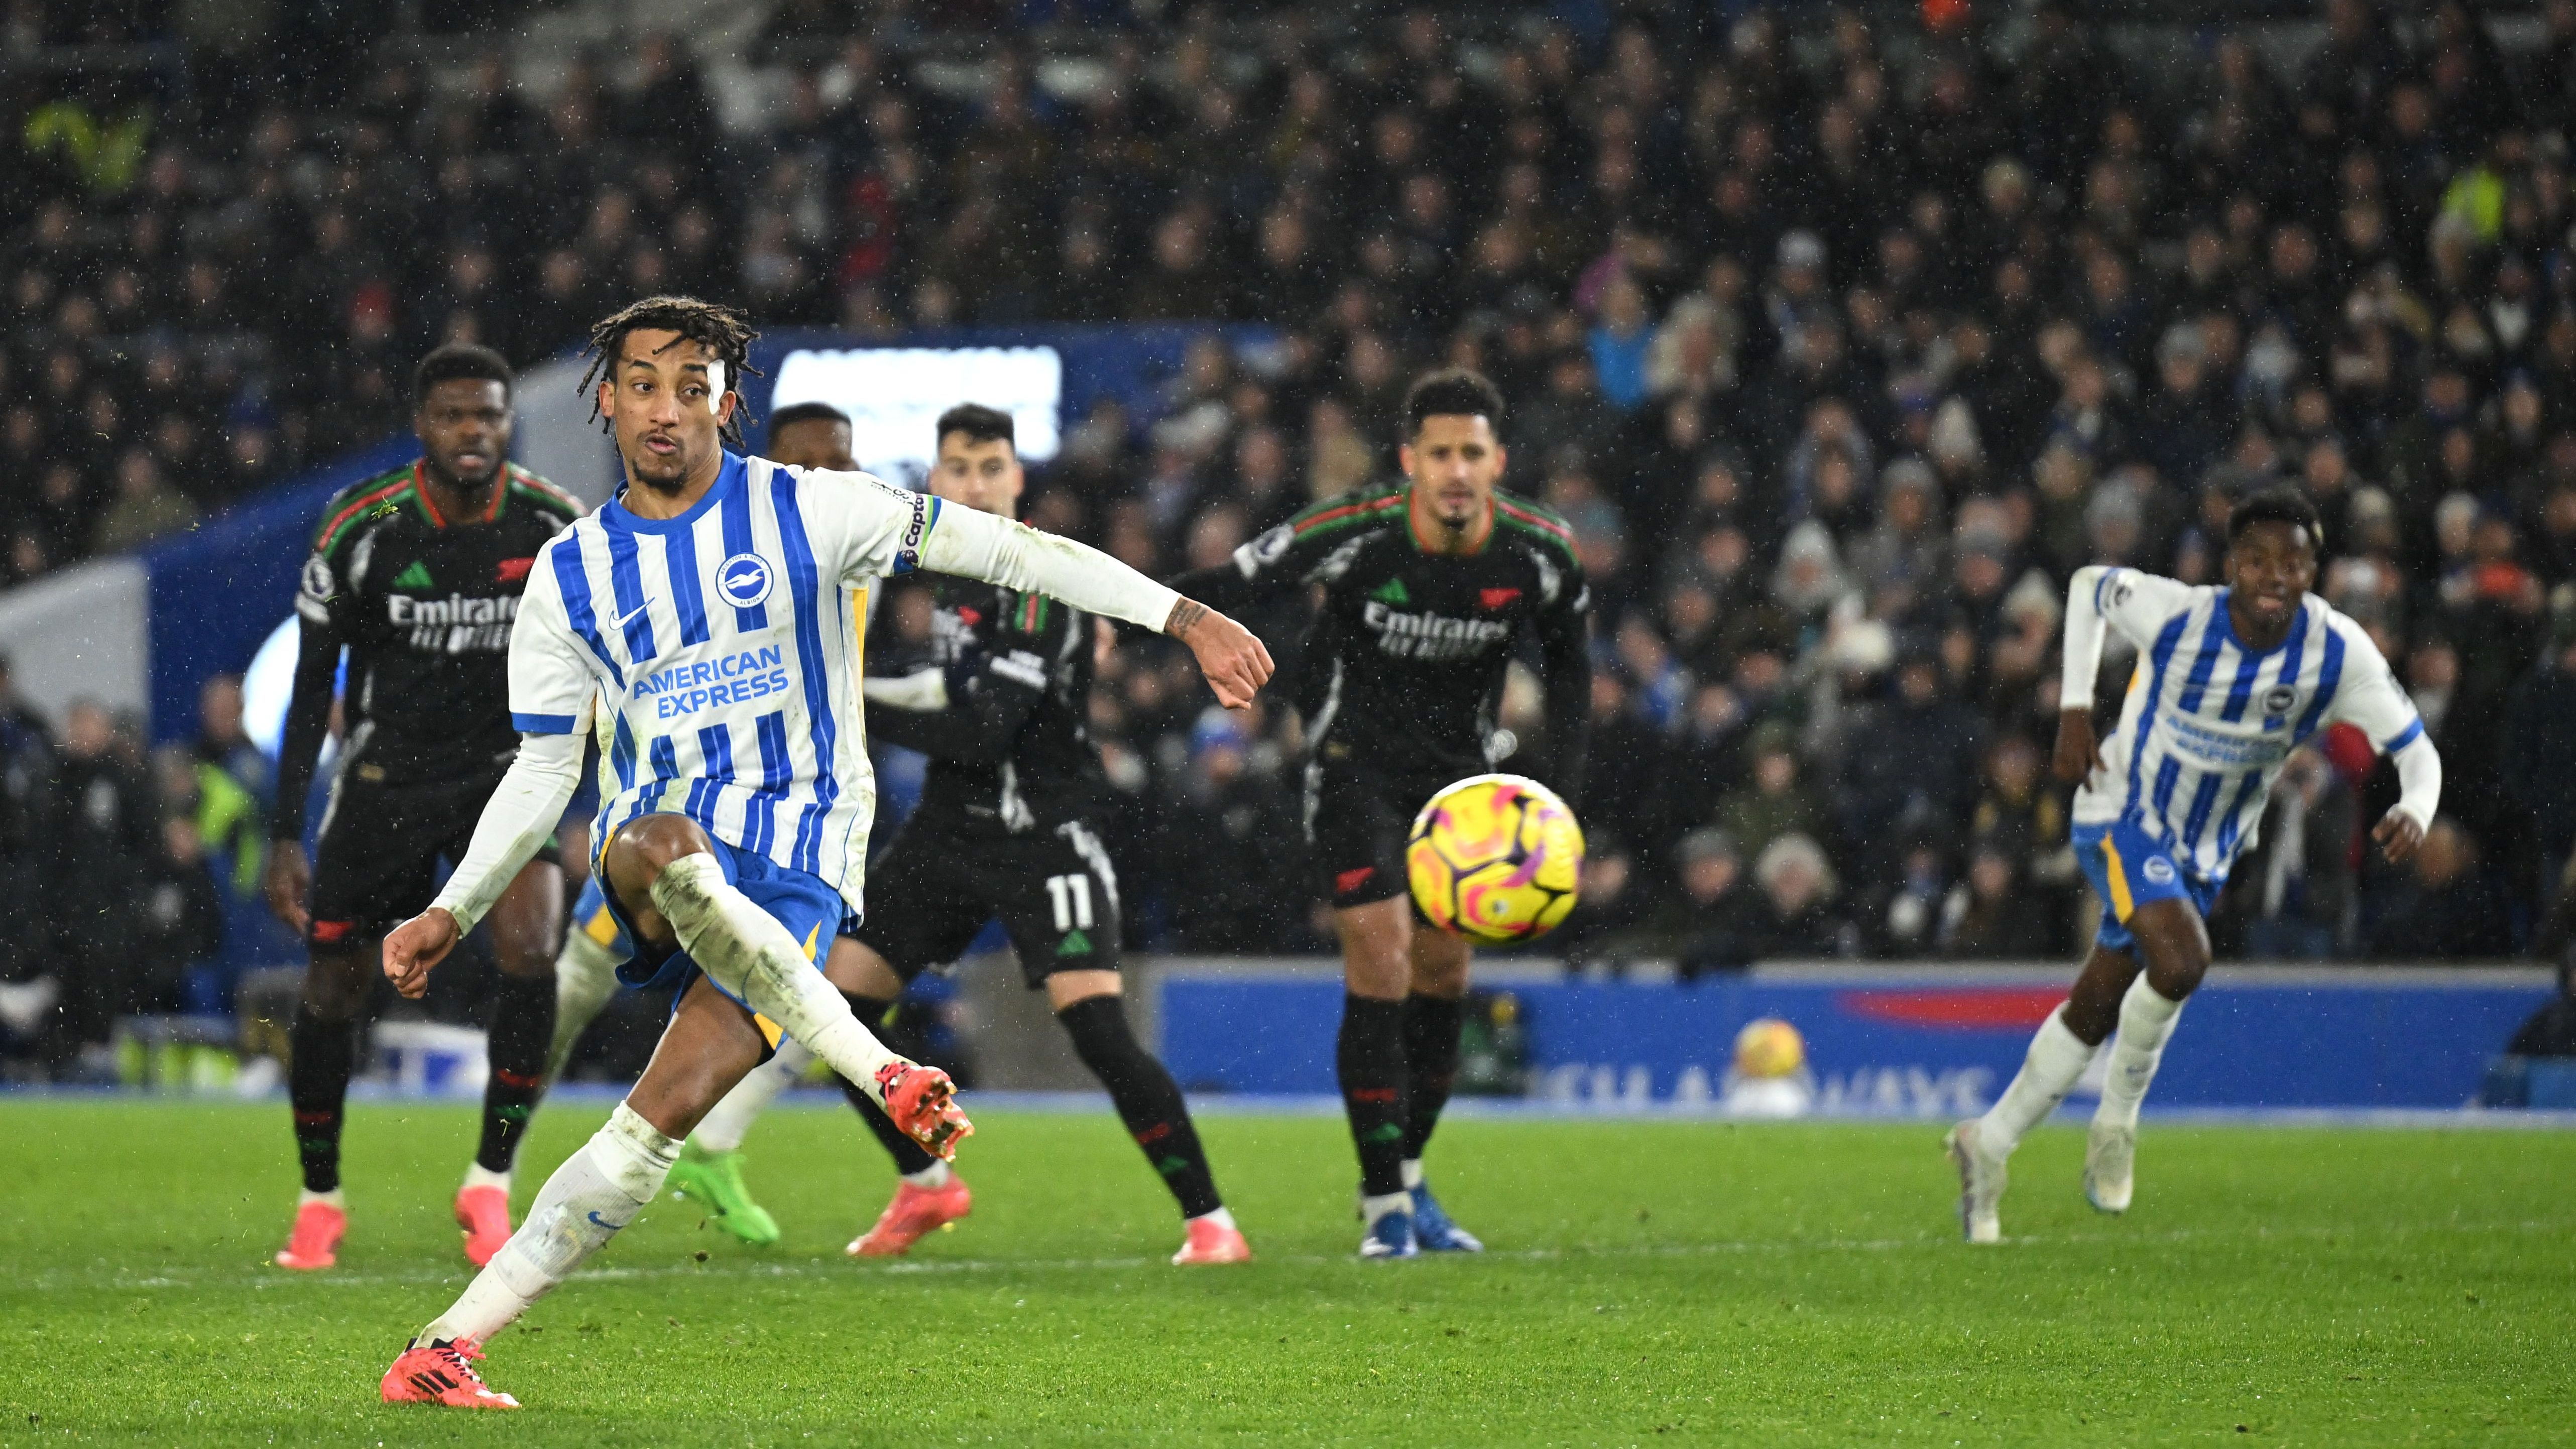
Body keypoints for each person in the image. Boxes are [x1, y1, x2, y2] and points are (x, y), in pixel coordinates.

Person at [375, 296, 1268, 1408]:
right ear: (608, 401)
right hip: (653, 846)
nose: (665, 409)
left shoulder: (817, 509)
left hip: (798, 868)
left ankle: (442, 1350)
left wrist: (1184, 617)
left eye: (691, 387)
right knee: (665, 843)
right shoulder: (572, 570)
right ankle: (882, 1070)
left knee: (658, 1121)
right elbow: (546, 766)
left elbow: (1014, 552)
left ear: (724, 402)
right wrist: (453, 909)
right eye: (643, 386)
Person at [544, 403, 1254, 1269]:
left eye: (991, 469)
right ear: (937, 478)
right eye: (958, 470)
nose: (975, 486)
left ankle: (1210, 1220)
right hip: (946, 834)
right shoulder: (943, 577)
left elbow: (982, 727)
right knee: (833, 1011)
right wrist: (855, 690)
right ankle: (924, 1182)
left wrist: (846, 700)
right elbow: (930, 691)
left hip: (1042, 839)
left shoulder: (1045, 590)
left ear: (1016, 478)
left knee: (1098, 1028)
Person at [1171, 368, 1591, 1259]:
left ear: (1497, 461)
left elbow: (1571, 669)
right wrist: (1124, 611)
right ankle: (1383, 1206)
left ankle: (1406, 1174)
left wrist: (1562, 796)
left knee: (1443, 972)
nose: (1455, 470)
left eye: (1471, 452)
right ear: (1409, 461)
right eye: (1439, 453)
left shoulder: (1541, 551)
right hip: (1351, 767)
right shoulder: (1353, 529)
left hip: (1460, 787)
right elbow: (1234, 580)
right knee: (1383, 950)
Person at [1946, 489, 2441, 1244]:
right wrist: (2074, 709)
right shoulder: (2178, 615)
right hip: (2121, 811)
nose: (2272, 576)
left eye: (2291, 563)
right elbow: (2088, 586)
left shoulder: (2337, 652)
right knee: (2181, 962)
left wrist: (2416, 807)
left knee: (2098, 1002)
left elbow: (2417, 752)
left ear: (2312, 571)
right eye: (2256, 560)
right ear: (2231, 565)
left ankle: (1989, 1141)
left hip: (2207, 851)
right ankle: (2116, 1124)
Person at [261, 343, 587, 1275]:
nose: (473, 431)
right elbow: (310, 684)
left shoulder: (555, 525)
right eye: (454, 416)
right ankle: (319, 1198)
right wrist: (285, 830)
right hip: (384, 783)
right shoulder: (362, 525)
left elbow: (600, 668)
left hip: (506, 779)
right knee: (334, 988)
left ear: (508, 421)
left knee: (534, 952)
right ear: (422, 425)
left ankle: (489, 1182)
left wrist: (586, 797)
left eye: (488, 414)